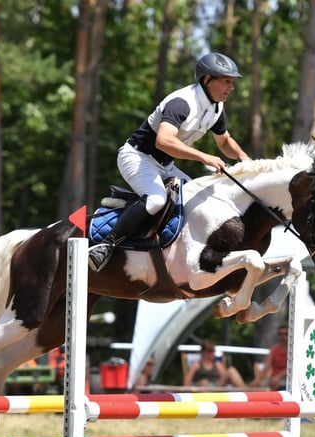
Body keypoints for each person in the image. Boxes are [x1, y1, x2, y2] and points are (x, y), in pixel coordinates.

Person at [88, 52, 251, 272]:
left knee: (199, 199)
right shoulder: (182, 103)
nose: (231, 87)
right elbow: (164, 141)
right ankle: (105, 246)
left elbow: (224, 142)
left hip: (165, 166)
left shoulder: (216, 107)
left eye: (232, 82)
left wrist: (244, 159)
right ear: (207, 80)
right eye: (227, 81)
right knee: (156, 200)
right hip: (136, 157)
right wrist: (203, 156)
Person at [250, 326, 289, 391]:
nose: (283, 336)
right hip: (273, 379)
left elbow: (292, 368)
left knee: (273, 382)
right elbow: (266, 367)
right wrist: (258, 380)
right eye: (280, 334)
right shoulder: (274, 350)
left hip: (287, 379)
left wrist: (278, 377)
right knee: (255, 385)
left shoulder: (294, 351)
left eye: (286, 334)